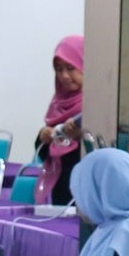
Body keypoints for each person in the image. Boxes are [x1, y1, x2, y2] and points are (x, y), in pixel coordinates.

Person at [37, 34, 85, 205]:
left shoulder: (95, 106)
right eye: (59, 69)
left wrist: (80, 138)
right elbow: (43, 154)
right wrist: (44, 135)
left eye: (71, 68)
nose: (64, 76)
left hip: (83, 193)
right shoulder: (58, 103)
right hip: (59, 192)